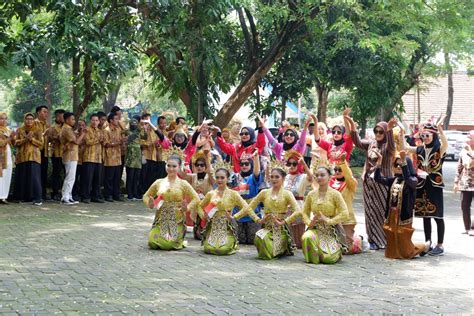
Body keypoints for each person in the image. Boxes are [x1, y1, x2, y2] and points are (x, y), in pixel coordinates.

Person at [345, 112, 397, 250]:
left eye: (381, 131)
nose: (378, 133)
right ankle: (372, 240)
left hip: (383, 182)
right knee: (369, 211)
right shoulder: (371, 143)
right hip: (368, 182)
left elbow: (391, 146)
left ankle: (383, 239)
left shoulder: (388, 146)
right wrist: (351, 123)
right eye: (376, 131)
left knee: (381, 211)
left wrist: (390, 130)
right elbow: (357, 142)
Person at [234, 163, 301, 260]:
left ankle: (281, 247)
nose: (274, 179)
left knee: (266, 244)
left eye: (277, 177)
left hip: (280, 230)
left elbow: (298, 211)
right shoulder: (264, 192)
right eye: (272, 177)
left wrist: (283, 222)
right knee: (259, 236)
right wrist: (258, 220)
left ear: (283, 178)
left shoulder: (287, 194)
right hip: (266, 229)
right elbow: (249, 207)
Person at [286, 164, 349, 264]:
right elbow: (305, 213)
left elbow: (345, 213)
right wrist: (309, 223)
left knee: (328, 259)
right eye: (317, 175)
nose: (319, 177)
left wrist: (329, 220)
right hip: (315, 228)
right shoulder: (311, 194)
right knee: (306, 237)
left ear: (329, 177)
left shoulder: (335, 194)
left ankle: (334, 251)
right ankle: (316, 257)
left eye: (322, 175)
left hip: (331, 231)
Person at [403, 117, 448, 256]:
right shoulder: (420, 149)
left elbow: (445, 143)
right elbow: (404, 148)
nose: (425, 138)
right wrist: (402, 135)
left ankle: (440, 245)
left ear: (433, 135)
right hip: (422, 185)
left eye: (427, 135)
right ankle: (428, 242)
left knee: (438, 216)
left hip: (435, 184)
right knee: (425, 216)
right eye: (423, 135)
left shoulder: (438, 148)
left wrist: (440, 128)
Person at [374, 150, 430, 259]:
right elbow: (378, 178)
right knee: (390, 236)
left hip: (403, 216)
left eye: (402, 165)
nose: (399, 167)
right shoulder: (393, 180)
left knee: (404, 243)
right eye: (396, 165)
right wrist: (379, 162)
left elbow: (409, 179)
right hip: (391, 215)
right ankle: (394, 253)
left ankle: (423, 247)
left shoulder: (413, 180)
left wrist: (404, 161)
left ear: (408, 166)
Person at [143, 152, 200, 250]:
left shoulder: (183, 183)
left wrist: (187, 208)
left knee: (168, 244)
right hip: (161, 220)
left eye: (174, 166)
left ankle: (179, 240)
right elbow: (146, 196)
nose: (171, 169)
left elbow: (196, 198)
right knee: (152, 242)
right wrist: (150, 203)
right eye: (168, 165)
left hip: (176, 220)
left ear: (179, 167)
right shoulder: (159, 182)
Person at [197, 167, 248, 255]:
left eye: (222, 178)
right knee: (209, 248)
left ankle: (232, 243)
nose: (219, 180)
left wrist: (234, 217)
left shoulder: (233, 194)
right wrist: (203, 216)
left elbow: (246, 207)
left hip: (227, 228)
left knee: (222, 249)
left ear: (227, 179)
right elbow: (199, 206)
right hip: (213, 228)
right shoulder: (211, 194)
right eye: (217, 177)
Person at [329, 153, 363, 254]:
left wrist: (343, 163)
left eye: (340, 169)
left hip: (346, 219)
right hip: (332, 218)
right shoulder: (330, 183)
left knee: (346, 250)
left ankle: (359, 240)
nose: (338, 171)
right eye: (336, 169)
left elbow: (349, 177)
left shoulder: (351, 184)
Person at [230, 149, 263, 245]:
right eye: (242, 164)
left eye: (247, 164)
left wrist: (256, 158)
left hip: (252, 213)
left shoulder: (253, 178)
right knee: (240, 240)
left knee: (253, 240)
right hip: (238, 212)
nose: (244, 166)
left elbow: (257, 171)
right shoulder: (234, 177)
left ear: (251, 165)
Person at [180, 150, 215, 240]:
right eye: (197, 165)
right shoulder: (193, 176)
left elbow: (211, 172)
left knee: (206, 226)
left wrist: (207, 158)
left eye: (202, 165)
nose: (199, 167)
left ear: (205, 166)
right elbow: (181, 174)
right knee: (197, 234)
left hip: (207, 205)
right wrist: (179, 159)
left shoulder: (210, 178)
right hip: (196, 205)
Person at [283, 150, 313, 248]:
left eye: (294, 164)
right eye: (289, 163)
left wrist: (304, 164)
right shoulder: (285, 177)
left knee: (297, 228)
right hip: (286, 206)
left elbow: (311, 178)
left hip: (298, 205)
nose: (291, 166)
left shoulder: (303, 177)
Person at [14, 113, 43, 205]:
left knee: (34, 178)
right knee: (22, 177)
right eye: (27, 119)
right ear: (24, 120)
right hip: (22, 157)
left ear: (34, 120)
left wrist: (32, 140)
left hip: (34, 157)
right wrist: (25, 139)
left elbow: (41, 144)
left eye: (31, 119)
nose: (29, 120)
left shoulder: (38, 130)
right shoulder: (19, 130)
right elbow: (15, 142)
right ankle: (22, 197)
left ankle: (37, 198)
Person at [60, 112, 84, 205]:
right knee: (70, 177)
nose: (74, 121)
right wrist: (83, 134)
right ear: (66, 120)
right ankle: (65, 197)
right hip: (70, 155)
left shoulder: (69, 129)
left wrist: (80, 132)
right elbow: (77, 142)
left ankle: (68, 196)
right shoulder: (67, 129)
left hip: (72, 155)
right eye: (72, 119)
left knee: (71, 177)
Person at [454, 131, 474, 236]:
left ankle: (473, 227)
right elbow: (459, 167)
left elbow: (472, 163)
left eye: (469, 137)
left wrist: (470, 150)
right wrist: (456, 182)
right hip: (466, 183)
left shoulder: (468, 150)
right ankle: (467, 228)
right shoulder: (463, 151)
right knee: (464, 206)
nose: (467, 138)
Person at [81, 113, 104, 203]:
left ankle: (96, 196)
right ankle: (85, 196)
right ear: (90, 121)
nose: (95, 122)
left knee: (97, 179)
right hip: (89, 157)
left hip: (98, 158)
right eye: (93, 120)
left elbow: (103, 141)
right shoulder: (87, 129)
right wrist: (98, 139)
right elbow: (88, 141)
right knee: (87, 179)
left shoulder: (100, 131)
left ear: (99, 122)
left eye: (96, 120)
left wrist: (101, 140)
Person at [103, 112, 123, 202]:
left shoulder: (118, 130)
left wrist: (123, 140)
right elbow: (106, 144)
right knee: (109, 177)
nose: (118, 121)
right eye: (116, 119)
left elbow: (120, 140)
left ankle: (116, 194)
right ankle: (108, 195)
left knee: (117, 177)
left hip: (118, 157)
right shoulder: (106, 130)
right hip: (110, 157)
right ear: (111, 120)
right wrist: (118, 143)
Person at [47, 109, 65, 201]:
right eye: (62, 116)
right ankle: (55, 192)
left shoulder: (67, 126)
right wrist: (55, 137)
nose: (63, 118)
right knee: (56, 174)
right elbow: (49, 139)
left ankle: (66, 192)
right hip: (57, 153)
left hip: (66, 153)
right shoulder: (52, 127)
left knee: (67, 174)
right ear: (57, 116)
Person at [34, 105, 50, 200]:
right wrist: (44, 134)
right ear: (38, 112)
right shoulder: (34, 123)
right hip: (37, 151)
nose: (46, 114)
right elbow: (33, 136)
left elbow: (49, 138)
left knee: (44, 173)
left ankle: (43, 194)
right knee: (37, 173)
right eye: (44, 112)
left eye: (47, 112)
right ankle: (37, 194)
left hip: (45, 151)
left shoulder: (47, 124)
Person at [125, 118, 142, 201]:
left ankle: (135, 193)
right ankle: (129, 193)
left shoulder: (140, 131)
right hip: (130, 155)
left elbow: (145, 137)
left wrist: (143, 128)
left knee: (137, 176)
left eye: (136, 123)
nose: (134, 124)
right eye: (132, 123)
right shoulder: (127, 132)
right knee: (130, 175)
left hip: (138, 155)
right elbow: (128, 139)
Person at [0, 112, 13, 203]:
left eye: (5, 118)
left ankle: (4, 196)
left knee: (7, 174)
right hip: (1, 155)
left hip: (8, 154)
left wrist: (14, 138)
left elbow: (13, 143)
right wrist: (9, 138)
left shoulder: (8, 129)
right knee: (1, 175)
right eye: (1, 118)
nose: (4, 120)